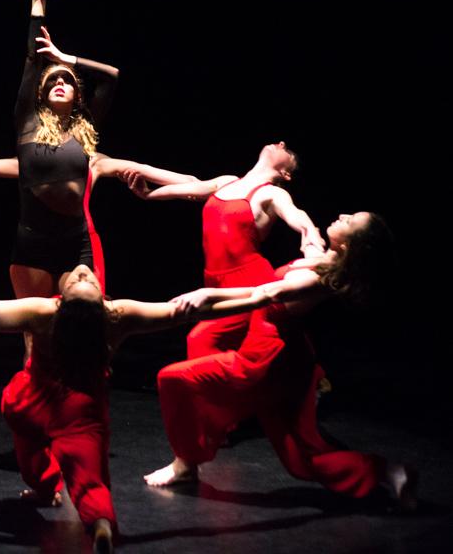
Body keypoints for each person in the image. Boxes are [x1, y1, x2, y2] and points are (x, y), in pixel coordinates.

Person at [0, 0, 196, 300]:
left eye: (67, 80)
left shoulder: (84, 129)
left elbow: (112, 77)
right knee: (35, 336)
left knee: (81, 324)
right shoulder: (28, 124)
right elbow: (34, 60)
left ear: (78, 94)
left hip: (76, 244)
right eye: (53, 81)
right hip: (32, 242)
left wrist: (65, 58)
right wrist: (38, 3)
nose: (60, 81)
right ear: (42, 94)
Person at [0, 262, 267, 552]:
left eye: (82, 278)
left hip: (30, 402)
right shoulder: (115, 316)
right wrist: (258, 298)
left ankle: (46, 489)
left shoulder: (43, 311)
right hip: (81, 411)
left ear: (61, 301)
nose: (83, 271)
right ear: (102, 300)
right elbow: (185, 312)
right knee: (90, 479)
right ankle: (99, 523)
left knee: (31, 458)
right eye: (85, 278)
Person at [145, 212, 418, 512]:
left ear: (351, 245)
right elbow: (308, 239)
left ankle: (185, 463)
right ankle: (390, 470)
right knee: (302, 461)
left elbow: (262, 294)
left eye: (350, 220)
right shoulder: (325, 258)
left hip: (264, 361)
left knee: (173, 379)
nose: (343, 215)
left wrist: (207, 296)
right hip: (289, 361)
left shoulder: (319, 279)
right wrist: (306, 230)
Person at [120, 141, 325, 360]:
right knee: (229, 350)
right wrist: (149, 195)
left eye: (288, 150)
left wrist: (311, 235)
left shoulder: (273, 194)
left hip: (248, 281)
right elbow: (188, 189)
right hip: (213, 280)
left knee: (201, 342)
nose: (281, 143)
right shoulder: (227, 182)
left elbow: (297, 215)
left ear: (286, 174)